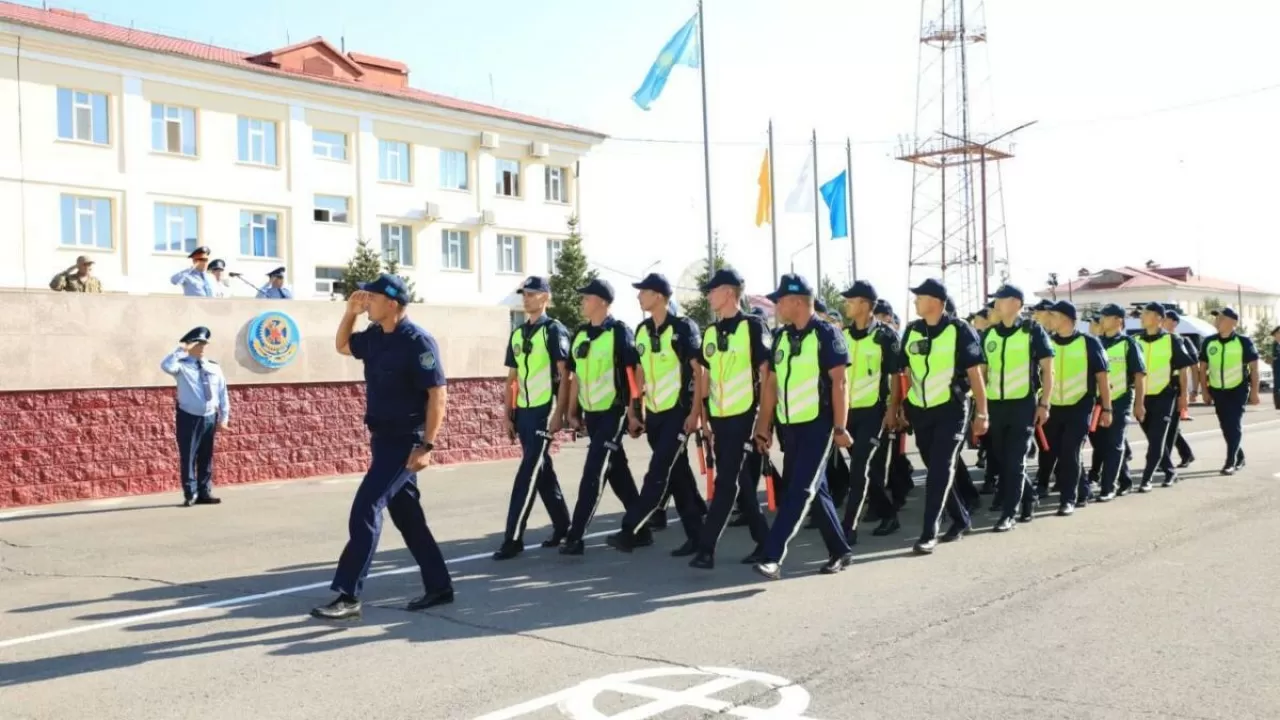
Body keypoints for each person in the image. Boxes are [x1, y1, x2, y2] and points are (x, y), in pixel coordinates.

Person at [311, 274, 452, 620]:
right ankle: (440, 586)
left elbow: (438, 395)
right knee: (408, 517)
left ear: (392, 303)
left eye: (371, 298)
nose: (366, 302)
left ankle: (348, 594)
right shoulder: (375, 336)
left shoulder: (418, 341)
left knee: (366, 508)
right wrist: (350, 314)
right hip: (382, 438)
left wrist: (427, 445)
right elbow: (343, 346)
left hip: (405, 443)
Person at [751, 274, 853, 579]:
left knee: (799, 490)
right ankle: (840, 550)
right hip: (789, 427)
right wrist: (763, 425)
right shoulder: (781, 337)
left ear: (797, 301)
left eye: (780, 300)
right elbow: (771, 384)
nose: (776, 305)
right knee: (815, 492)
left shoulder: (826, 335)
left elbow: (840, 382)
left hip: (817, 426)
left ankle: (772, 556)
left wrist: (839, 427)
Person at [607, 273, 708, 554]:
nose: (639, 296)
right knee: (678, 476)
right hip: (654, 414)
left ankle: (631, 529)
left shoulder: (683, 328)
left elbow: (699, 372)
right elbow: (639, 374)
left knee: (658, 471)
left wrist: (696, 413)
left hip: (679, 412)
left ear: (660, 296)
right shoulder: (641, 330)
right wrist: (634, 411)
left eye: (644, 292)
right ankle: (698, 537)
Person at [894, 278, 987, 554]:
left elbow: (975, 373)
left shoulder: (960, 330)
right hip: (920, 410)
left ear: (935, 301)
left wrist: (982, 411)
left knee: (939, 469)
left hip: (951, 409)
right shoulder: (912, 331)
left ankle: (928, 532)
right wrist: (899, 406)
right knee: (936, 467)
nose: (915, 302)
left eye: (919, 297)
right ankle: (960, 519)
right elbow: (905, 373)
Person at [689, 269, 773, 569]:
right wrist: (703, 419)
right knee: (740, 483)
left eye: (712, 290)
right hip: (720, 419)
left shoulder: (752, 326)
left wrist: (764, 423)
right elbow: (705, 377)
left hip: (744, 417)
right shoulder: (711, 332)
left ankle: (705, 547)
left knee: (726, 482)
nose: (708, 295)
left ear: (727, 292)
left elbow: (766, 375)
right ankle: (765, 541)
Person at [491, 276, 572, 560]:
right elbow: (511, 379)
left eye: (532, 294)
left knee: (527, 474)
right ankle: (564, 525)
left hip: (543, 411)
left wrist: (558, 413)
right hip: (523, 412)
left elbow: (565, 376)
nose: (526, 298)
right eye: (524, 294)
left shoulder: (554, 330)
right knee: (541, 470)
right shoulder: (517, 334)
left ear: (545, 298)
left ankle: (513, 538)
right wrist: (507, 414)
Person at [561, 278, 642, 555]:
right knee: (617, 470)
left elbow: (634, 375)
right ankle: (640, 526)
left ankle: (576, 535)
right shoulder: (581, 335)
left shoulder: (620, 333)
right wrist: (572, 412)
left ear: (603, 302)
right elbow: (575, 378)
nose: (583, 301)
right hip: (592, 416)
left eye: (587, 297)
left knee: (593, 470)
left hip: (614, 412)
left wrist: (634, 411)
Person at [833, 279, 903, 544]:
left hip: (874, 412)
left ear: (864, 305)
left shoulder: (885, 335)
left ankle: (848, 527)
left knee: (859, 468)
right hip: (849, 414)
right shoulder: (843, 335)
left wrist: (893, 409)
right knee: (868, 471)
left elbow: (896, 376)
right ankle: (888, 514)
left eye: (851, 301)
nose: (846, 305)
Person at [981, 284, 1054, 531]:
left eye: (1000, 300)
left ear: (1015, 302)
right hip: (995, 406)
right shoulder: (989, 334)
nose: (996, 305)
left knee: (1015, 461)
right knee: (1002, 460)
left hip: (1023, 404)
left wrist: (1045, 403)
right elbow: (982, 372)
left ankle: (1008, 515)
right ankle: (1029, 496)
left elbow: (1047, 369)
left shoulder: (1032, 330)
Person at [1035, 301, 1111, 515]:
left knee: (1070, 451)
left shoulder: (1089, 343)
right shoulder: (1047, 342)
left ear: (1066, 318)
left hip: (1080, 406)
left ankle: (1067, 499)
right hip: (1053, 407)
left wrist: (1107, 408)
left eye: (1054, 315)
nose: (1049, 319)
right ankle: (1083, 489)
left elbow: (1102, 378)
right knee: (1059, 452)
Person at [160, 326, 229, 507]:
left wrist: (224, 417)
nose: (203, 347)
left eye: (205, 343)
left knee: (206, 457)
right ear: (190, 345)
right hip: (188, 417)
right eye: (199, 343)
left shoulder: (213, 366)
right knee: (189, 456)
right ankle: (190, 493)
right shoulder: (181, 365)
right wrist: (180, 350)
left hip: (209, 416)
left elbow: (222, 392)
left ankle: (205, 492)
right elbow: (165, 366)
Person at [1134, 302, 1195, 491]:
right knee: (1154, 439)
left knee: (1157, 437)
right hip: (1143, 397)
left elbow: (1183, 369)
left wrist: (1184, 395)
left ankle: (1147, 478)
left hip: (1165, 395)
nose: (1141, 316)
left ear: (1159, 319)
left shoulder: (1172, 340)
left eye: (1146, 313)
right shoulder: (1135, 340)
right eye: (1141, 313)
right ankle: (1170, 471)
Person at [1201, 307, 1261, 475]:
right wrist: (1204, 391)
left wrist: (1254, 392)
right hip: (1217, 390)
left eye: (1221, 318)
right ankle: (1239, 456)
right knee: (1226, 426)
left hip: (1237, 389)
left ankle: (1230, 461)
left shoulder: (1243, 341)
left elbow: (1254, 369)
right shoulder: (1209, 342)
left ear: (1233, 322)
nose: (1217, 321)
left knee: (1233, 425)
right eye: (1216, 318)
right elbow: (1203, 368)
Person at [1095, 303, 1146, 499]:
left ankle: (1109, 487)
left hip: (1121, 400)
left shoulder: (1129, 344)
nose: (1102, 319)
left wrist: (1139, 404)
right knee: (1104, 444)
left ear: (1119, 320)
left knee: (1114, 443)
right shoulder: (1096, 342)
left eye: (1106, 316)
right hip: (1099, 403)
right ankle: (1125, 480)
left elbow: (1140, 376)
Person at [1161, 309, 1196, 468]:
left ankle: (1164, 459)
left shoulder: (1182, 341)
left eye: (1166, 319)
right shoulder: (1159, 341)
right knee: (1168, 426)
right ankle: (1186, 454)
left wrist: (1190, 391)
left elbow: (1191, 366)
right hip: (1160, 386)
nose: (1162, 321)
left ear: (1174, 322)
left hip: (1175, 386)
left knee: (1170, 425)